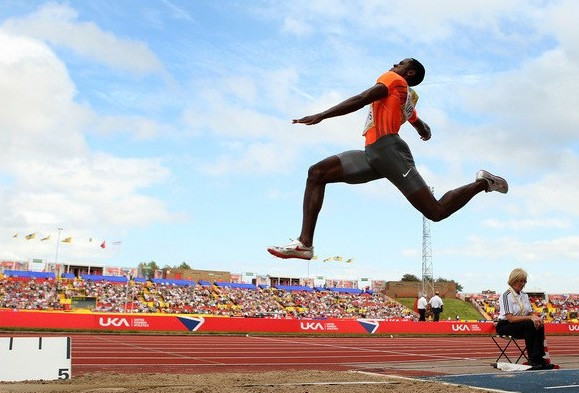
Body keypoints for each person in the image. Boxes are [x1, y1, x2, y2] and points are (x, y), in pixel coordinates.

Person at [267, 58, 508, 260]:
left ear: (409, 72)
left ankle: (483, 183)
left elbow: (362, 98)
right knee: (317, 173)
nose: (394, 64)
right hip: (371, 154)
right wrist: (422, 128)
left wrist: (322, 115)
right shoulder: (405, 96)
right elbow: (413, 117)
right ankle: (305, 243)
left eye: (400, 63)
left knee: (435, 211)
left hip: (389, 151)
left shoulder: (394, 79)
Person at [496, 268, 555, 370]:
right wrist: (530, 318)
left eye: (524, 281)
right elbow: (511, 319)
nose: (522, 283)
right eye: (520, 281)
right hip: (505, 325)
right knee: (529, 324)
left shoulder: (524, 295)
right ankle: (533, 359)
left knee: (538, 324)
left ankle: (540, 358)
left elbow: (530, 312)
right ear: (514, 280)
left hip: (522, 324)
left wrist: (536, 318)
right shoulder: (506, 296)